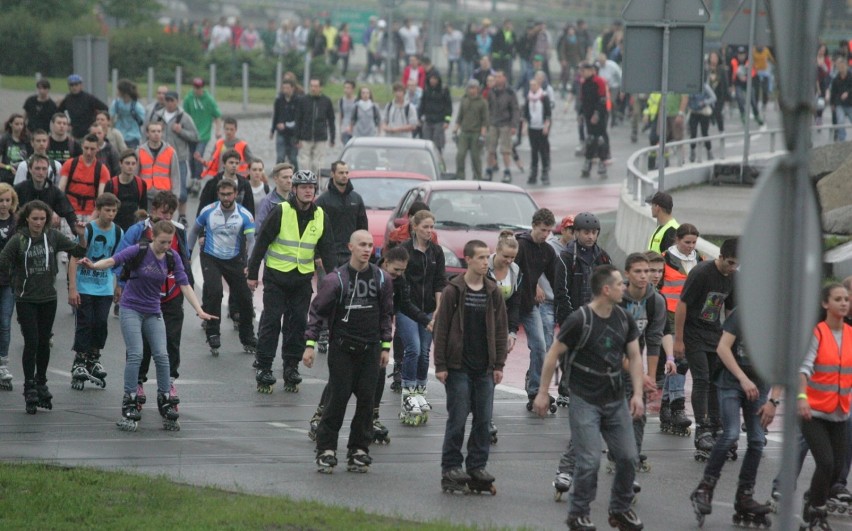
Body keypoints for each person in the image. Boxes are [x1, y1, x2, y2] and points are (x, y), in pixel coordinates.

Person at [534, 264, 645, 531]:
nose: (625, 287)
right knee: (590, 460)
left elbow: (634, 356)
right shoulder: (579, 319)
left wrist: (638, 394)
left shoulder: (624, 318)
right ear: (606, 289)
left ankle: (620, 509)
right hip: (585, 399)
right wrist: (542, 393)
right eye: (620, 284)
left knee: (629, 457)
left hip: (616, 399)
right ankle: (578, 513)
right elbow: (552, 355)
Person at [79, 220, 214, 431]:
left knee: (162, 354)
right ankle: (130, 398)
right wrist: (94, 265)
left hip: (153, 311)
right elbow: (114, 260)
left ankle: (165, 397)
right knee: (136, 354)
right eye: (162, 242)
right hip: (131, 308)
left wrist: (199, 309)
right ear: (153, 237)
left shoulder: (172, 257)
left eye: (169, 242)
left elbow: (184, 283)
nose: (166, 246)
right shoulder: (139, 250)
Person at [305, 230, 393, 473]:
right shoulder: (336, 280)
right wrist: (310, 345)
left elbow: (386, 315)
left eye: (370, 245)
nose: (367, 249)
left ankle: (358, 449)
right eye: (362, 245)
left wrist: (386, 346)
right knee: (338, 397)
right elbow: (317, 312)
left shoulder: (382, 279)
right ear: (350, 247)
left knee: (367, 400)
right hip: (342, 348)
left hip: (371, 349)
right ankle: (326, 449)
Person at [689, 306, 779, 528]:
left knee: (757, 440)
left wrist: (773, 401)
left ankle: (745, 496)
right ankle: (705, 488)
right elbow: (723, 347)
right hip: (732, 381)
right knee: (730, 434)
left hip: (759, 385)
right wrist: (742, 378)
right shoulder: (744, 314)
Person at [248, 170, 334, 393]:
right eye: (303, 187)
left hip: (301, 279)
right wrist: (252, 274)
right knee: (272, 320)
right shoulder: (281, 211)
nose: (308, 190)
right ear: (294, 190)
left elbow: (328, 252)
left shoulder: (320, 215)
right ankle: (265, 367)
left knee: (297, 324)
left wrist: (336, 280)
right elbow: (262, 242)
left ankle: (290, 367)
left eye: (311, 187)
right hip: (276, 277)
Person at [0, 200, 88, 414]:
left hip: (48, 298)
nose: (38, 223)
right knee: (31, 341)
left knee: (43, 342)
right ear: (27, 219)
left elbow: (77, 250)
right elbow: (3, 261)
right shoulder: (19, 239)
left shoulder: (53, 236)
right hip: (26, 299)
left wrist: (82, 235)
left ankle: (41, 381)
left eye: (42, 219)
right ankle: (29, 384)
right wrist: (15, 280)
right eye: (35, 219)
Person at [436, 239, 508, 494]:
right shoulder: (453, 291)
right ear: (468, 259)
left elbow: (501, 330)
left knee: (483, 420)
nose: (485, 262)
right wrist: (441, 365)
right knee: (457, 418)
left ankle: (477, 466)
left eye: (487, 258)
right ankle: (451, 467)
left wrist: (499, 364)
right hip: (458, 368)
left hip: (484, 368)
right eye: (480, 258)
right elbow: (442, 328)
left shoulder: (493, 291)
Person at [114, 191, 193, 409]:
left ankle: (168, 384)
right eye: (163, 213)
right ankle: (137, 383)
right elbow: (121, 257)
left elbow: (183, 260)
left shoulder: (179, 231)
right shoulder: (138, 230)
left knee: (170, 342)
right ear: (153, 210)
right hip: (142, 296)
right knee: (140, 346)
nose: (167, 217)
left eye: (170, 214)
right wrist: (120, 286)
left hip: (172, 294)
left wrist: (190, 287)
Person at [792, 283, 852, 528]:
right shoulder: (817, 333)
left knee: (837, 466)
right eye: (838, 299)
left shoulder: (849, 334)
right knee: (825, 462)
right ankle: (817, 510)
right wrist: (802, 398)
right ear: (826, 304)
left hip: (839, 412)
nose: (844, 303)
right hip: (813, 412)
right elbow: (803, 369)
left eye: (846, 299)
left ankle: (812, 499)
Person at [675, 238, 738, 461]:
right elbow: (682, 304)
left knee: (715, 381)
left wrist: (732, 342)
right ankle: (702, 428)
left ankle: (715, 424)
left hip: (714, 334)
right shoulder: (702, 273)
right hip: (692, 333)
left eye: (736, 265)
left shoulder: (733, 277)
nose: (732, 268)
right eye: (729, 262)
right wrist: (679, 340)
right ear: (720, 257)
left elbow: (730, 311)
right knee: (701, 379)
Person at [188, 179, 257, 355]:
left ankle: (248, 337)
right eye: (223, 194)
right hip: (211, 257)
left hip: (234, 259)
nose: (226, 198)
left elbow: (251, 240)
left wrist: (251, 263)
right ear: (218, 194)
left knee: (244, 298)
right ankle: (212, 333)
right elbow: (195, 230)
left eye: (229, 194)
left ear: (235, 194)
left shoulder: (244, 215)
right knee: (214, 291)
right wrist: (187, 254)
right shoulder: (208, 211)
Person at [67, 193, 122, 390]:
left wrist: (118, 285)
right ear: (99, 210)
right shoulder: (88, 229)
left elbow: (118, 260)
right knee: (85, 323)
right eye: (107, 210)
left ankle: (94, 358)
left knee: (100, 323)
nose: (111, 214)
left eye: (114, 210)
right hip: (84, 285)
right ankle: (80, 360)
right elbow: (74, 258)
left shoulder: (117, 232)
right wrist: (72, 288)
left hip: (104, 286)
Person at [397, 210, 446, 424]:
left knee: (425, 353)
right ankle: (407, 397)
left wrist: (438, 308)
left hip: (428, 310)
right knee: (413, 349)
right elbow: (399, 280)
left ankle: (420, 395)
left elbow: (440, 281)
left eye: (432, 227)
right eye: (425, 227)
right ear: (414, 227)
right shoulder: (404, 250)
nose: (429, 231)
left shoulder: (436, 252)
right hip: (407, 308)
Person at [659, 224, 702, 435]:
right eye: (687, 242)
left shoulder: (700, 260)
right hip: (669, 317)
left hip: (691, 319)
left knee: (679, 364)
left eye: (694, 242)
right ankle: (677, 408)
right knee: (680, 360)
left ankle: (666, 406)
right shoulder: (664, 259)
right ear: (677, 239)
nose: (690, 246)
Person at [515, 208, 557, 411]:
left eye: (549, 231)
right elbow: (513, 273)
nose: (546, 235)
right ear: (533, 226)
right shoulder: (521, 246)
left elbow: (557, 278)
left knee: (540, 346)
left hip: (530, 307)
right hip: (511, 304)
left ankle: (536, 389)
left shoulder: (547, 251)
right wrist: (533, 286)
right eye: (542, 230)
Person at [484, 231, 521, 443]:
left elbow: (515, 303)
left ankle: (485, 417)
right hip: (481, 325)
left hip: (501, 326)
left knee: (494, 371)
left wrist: (512, 332)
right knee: (482, 372)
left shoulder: (515, 271)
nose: (508, 261)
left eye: (513, 257)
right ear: (496, 251)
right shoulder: (484, 267)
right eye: (505, 256)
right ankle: (483, 416)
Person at [154, 91, 199, 223]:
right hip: (160, 159)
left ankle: (182, 216)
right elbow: (147, 131)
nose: (169, 103)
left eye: (172, 100)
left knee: (181, 191)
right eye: (167, 100)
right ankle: (164, 216)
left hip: (179, 158)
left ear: (177, 101)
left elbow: (195, 136)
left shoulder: (184, 117)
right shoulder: (158, 115)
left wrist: (181, 131)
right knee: (162, 190)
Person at [315, 161, 368, 267]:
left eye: (346, 173)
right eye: (341, 173)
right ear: (332, 174)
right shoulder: (322, 201)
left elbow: (363, 227)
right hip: (330, 254)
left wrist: (363, 247)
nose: (344, 176)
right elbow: (315, 229)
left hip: (352, 253)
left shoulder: (356, 199)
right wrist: (317, 255)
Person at [14, 154, 78, 232]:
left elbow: (69, 214)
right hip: (23, 230)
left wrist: (79, 234)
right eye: (37, 168)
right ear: (30, 169)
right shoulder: (19, 189)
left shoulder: (55, 191)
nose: (41, 172)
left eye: (44, 169)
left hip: (47, 231)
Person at [58, 133, 109, 220]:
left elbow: (101, 197)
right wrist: (58, 211)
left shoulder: (102, 170)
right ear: (82, 146)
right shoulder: (70, 164)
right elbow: (60, 190)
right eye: (86, 148)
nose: (89, 152)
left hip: (91, 213)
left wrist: (93, 216)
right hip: (69, 211)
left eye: (92, 149)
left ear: (97, 149)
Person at [183, 78, 222, 185]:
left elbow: (217, 115)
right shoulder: (188, 99)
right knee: (190, 158)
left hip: (203, 134)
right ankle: (193, 178)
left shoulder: (209, 100)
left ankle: (198, 180)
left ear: (203, 87)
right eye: (195, 87)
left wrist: (218, 130)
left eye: (199, 87)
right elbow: (184, 115)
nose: (197, 90)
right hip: (191, 134)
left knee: (197, 156)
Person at [295, 79, 335, 178]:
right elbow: (298, 119)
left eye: (316, 86)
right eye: (312, 86)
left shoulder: (326, 101)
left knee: (318, 162)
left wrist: (332, 137)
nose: (313, 88)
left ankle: (317, 184)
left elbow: (331, 120)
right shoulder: (303, 100)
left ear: (320, 87)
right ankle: (306, 181)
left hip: (320, 136)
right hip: (305, 136)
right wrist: (296, 138)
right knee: (304, 162)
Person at [197, 149, 256, 216]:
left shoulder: (245, 184)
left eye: (237, 163)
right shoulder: (213, 183)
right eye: (231, 163)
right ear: (224, 164)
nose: (234, 165)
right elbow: (203, 207)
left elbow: (250, 208)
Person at [485, 71, 520, 183]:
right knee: (490, 149)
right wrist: (487, 123)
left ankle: (507, 171)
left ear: (504, 78)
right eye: (496, 77)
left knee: (506, 150)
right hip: (493, 123)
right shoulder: (492, 91)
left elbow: (515, 109)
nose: (497, 79)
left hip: (505, 123)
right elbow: (487, 108)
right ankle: (488, 170)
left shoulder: (510, 92)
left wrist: (514, 125)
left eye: (499, 77)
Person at [0, 184, 18, 391]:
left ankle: (2, 364)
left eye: (7, 200)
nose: (4, 205)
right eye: (0, 201)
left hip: (8, 280)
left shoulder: (17, 222)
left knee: (4, 322)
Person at [103, 150, 148, 231]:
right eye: (127, 163)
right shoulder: (111, 184)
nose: (130, 166)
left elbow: (144, 208)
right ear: (120, 164)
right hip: (114, 227)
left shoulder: (141, 184)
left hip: (134, 227)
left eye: (133, 164)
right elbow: (104, 208)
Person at [578, 62, 610, 178]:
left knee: (600, 138)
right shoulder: (584, 83)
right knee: (590, 139)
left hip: (600, 115)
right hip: (588, 115)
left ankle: (602, 162)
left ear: (591, 71)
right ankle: (588, 161)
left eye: (584, 70)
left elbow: (602, 100)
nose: (582, 73)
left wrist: (597, 114)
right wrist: (581, 114)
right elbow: (583, 101)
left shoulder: (599, 82)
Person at [453, 80, 489, 181]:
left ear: (477, 89)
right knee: (460, 155)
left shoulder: (482, 102)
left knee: (475, 157)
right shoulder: (464, 100)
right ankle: (460, 176)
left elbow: (484, 121)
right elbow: (459, 117)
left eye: (474, 88)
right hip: (464, 132)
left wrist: (482, 135)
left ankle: (477, 177)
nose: (471, 90)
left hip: (476, 133)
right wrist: (455, 130)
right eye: (470, 88)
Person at [137, 121, 180, 202]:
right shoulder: (140, 151)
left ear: (162, 133)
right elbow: (135, 175)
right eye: (153, 131)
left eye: (159, 131)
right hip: (145, 194)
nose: (156, 134)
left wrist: (175, 196)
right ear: (147, 133)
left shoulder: (170, 152)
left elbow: (175, 176)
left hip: (164, 195)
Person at [58, 74, 108, 141]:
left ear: (81, 85)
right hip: (75, 134)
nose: (74, 87)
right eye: (71, 85)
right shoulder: (67, 99)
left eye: (76, 85)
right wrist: (66, 124)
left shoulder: (89, 98)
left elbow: (104, 108)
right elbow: (58, 113)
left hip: (89, 133)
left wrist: (97, 121)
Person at [418, 71, 452, 165]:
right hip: (428, 120)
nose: (433, 81)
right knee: (426, 142)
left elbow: (448, 106)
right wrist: (419, 117)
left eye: (435, 79)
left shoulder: (443, 90)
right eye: (431, 79)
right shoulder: (426, 90)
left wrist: (447, 121)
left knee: (437, 144)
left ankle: (439, 163)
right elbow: (422, 104)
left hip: (439, 121)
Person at [523, 78, 552, 185]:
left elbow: (548, 113)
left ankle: (545, 172)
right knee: (534, 151)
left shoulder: (544, 97)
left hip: (541, 127)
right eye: (531, 85)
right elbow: (526, 113)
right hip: (532, 127)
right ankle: (534, 172)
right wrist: (525, 126)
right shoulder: (529, 97)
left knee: (543, 150)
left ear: (538, 85)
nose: (532, 87)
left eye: (534, 85)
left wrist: (546, 126)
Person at [271, 79, 300, 167]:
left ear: (292, 88)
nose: (285, 90)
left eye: (287, 88)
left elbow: (299, 119)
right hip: (281, 133)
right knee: (280, 156)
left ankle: (296, 175)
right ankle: (279, 174)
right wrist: (272, 130)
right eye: (284, 88)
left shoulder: (298, 101)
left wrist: (286, 126)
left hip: (293, 134)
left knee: (293, 158)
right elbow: (275, 115)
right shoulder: (279, 100)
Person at [255, 162, 293, 229]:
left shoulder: (297, 200)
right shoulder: (267, 202)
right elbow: (259, 230)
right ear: (276, 179)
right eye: (285, 177)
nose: (289, 180)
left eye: (291, 177)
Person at [109, 80, 145, 149]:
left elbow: (143, 121)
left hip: (133, 135)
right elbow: (111, 118)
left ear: (123, 92)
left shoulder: (137, 106)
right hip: (118, 134)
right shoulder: (116, 103)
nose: (117, 92)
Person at [687, 82, 717, 162]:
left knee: (705, 133)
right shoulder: (690, 86)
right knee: (693, 133)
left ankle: (709, 152)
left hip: (703, 112)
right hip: (693, 112)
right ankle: (692, 152)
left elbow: (713, 97)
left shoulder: (705, 86)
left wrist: (705, 102)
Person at [0, 114, 30, 184]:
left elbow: (31, 157)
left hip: (23, 174)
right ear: (11, 124)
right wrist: (8, 167)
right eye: (17, 124)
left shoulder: (27, 139)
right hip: (7, 175)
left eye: (21, 124)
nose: (19, 127)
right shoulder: (5, 139)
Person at [830, 54, 852, 142]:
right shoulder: (836, 79)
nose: (842, 69)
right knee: (840, 120)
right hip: (840, 103)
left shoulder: (851, 77)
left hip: (850, 103)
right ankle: (842, 139)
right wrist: (832, 103)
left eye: (843, 66)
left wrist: (848, 93)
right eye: (840, 67)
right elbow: (833, 91)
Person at [442, 23, 464, 88]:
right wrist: (446, 52)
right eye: (446, 28)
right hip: (451, 55)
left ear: (451, 28)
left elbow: (462, 42)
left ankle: (460, 84)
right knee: (450, 70)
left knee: (460, 70)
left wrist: (460, 49)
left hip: (458, 55)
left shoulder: (458, 34)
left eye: (448, 28)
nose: (447, 29)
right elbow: (444, 45)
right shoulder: (445, 36)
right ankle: (449, 83)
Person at [338, 80, 357, 146]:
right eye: (345, 88)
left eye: (348, 88)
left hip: (355, 130)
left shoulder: (357, 101)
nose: (346, 90)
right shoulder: (341, 100)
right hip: (345, 129)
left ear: (353, 89)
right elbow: (341, 115)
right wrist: (340, 130)